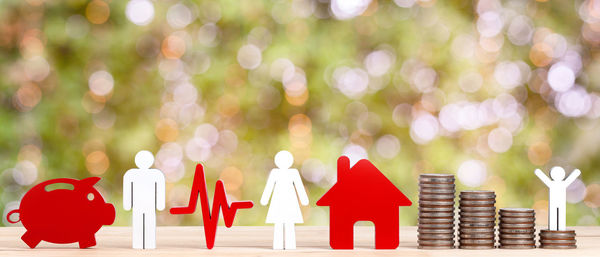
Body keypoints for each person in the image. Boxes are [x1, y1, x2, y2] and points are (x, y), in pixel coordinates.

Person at [260, 150, 309, 250]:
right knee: (279, 224)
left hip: (289, 201)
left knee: (289, 224)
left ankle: (290, 246)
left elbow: (299, 186)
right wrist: (265, 199)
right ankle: (278, 246)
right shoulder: (275, 173)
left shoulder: (293, 173)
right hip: (278, 201)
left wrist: (304, 199)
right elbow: (269, 187)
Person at [123, 150, 166, 249]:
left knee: (149, 223)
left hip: (149, 205)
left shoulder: (156, 175)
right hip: (138, 205)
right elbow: (128, 189)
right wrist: (128, 203)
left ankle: (149, 244)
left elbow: (160, 189)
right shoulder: (131, 174)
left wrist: (160, 204)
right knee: (138, 223)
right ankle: (138, 244)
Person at [534, 166, 581, 231]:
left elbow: (572, 177)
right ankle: (554, 228)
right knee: (553, 215)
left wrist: (576, 172)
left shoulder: (562, 184)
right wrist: (538, 172)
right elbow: (543, 177)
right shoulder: (554, 183)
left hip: (561, 203)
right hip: (553, 202)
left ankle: (560, 227)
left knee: (561, 215)